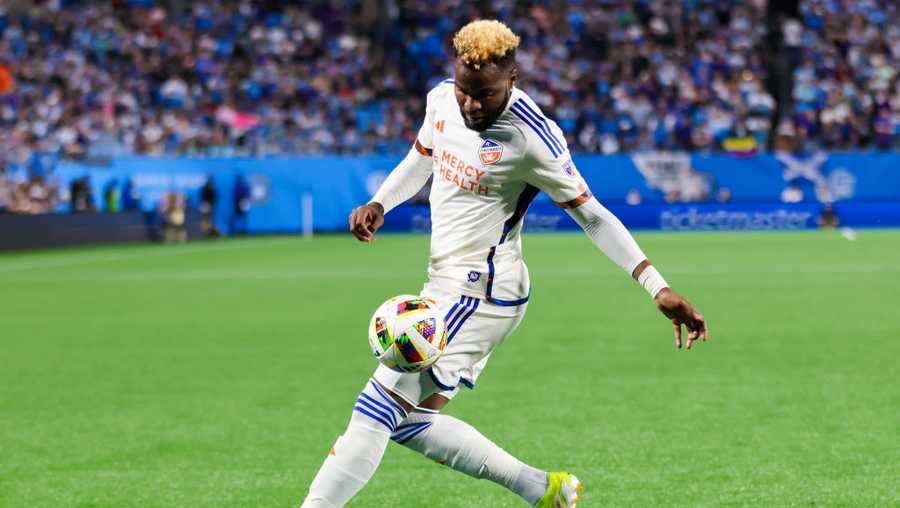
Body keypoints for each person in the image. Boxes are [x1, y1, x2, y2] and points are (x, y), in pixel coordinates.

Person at [302, 20, 708, 508]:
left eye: (485, 95)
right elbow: (421, 158)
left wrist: (655, 285)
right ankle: (542, 488)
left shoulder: (534, 137)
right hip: (443, 284)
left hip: (482, 292)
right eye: (465, 91)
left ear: (512, 80)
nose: (471, 105)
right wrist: (381, 202)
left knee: (373, 409)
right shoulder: (441, 102)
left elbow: (593, 217)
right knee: (403, 419)